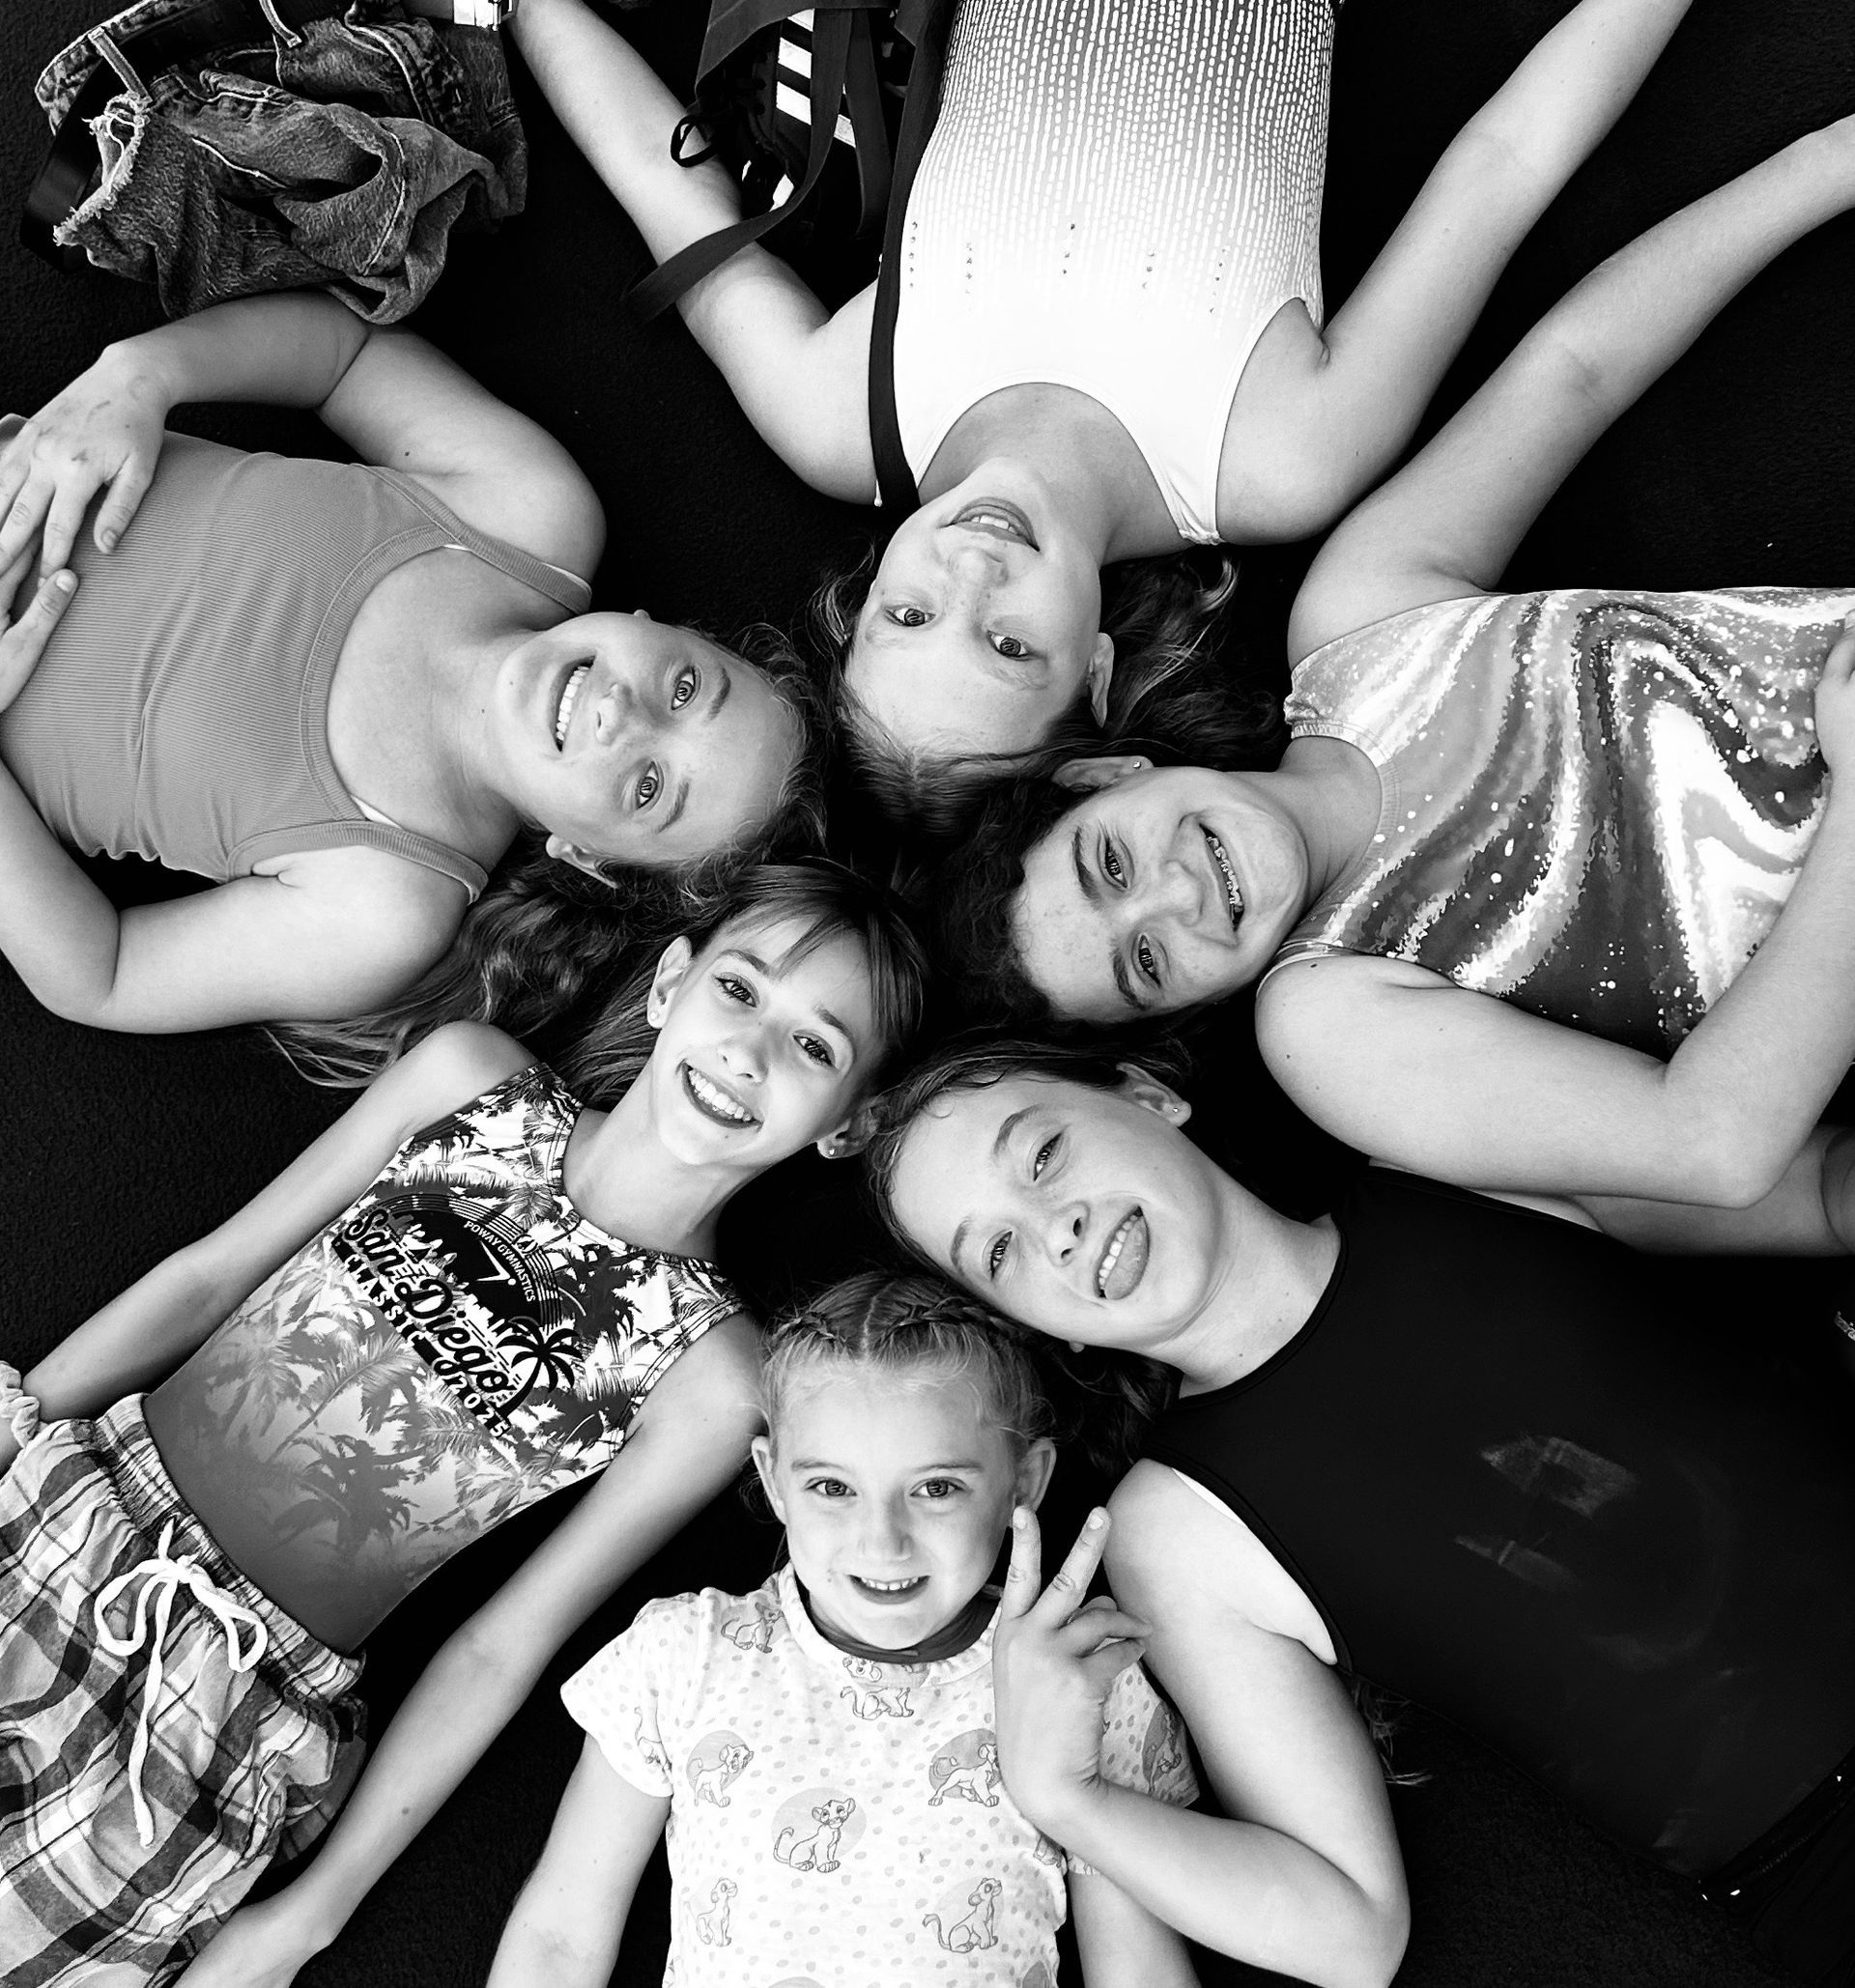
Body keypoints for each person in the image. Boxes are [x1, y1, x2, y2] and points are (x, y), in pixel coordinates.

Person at [0, 861, 926, 1987]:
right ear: (670, 983)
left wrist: (306, 1919)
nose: (751, 1052)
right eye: (741, 990)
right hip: (71, 1514)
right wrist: (18, 1424)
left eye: (816, 1047)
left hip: (218, 1707)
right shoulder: (468, 1082)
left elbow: (500, 1645)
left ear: (849, 1125)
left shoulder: (715, 1377)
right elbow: (207, 1278)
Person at [933, 107, 1855, 1226]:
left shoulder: (1357, 622)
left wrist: (1825, 164)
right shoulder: (1327, 1027)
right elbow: (1711, 1144)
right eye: (1145, 965)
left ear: (1108, 774)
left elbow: (1577, 369)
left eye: (1112, 867)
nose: (1178, 900)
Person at [513, 0, 1696, 823]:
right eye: (1009, 644)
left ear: (858, 600)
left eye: (911, 614)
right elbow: (1505, 162)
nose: (972, 576)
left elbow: (668, 196)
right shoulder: (1274, 459)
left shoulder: (838, 419)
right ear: (1093, 676)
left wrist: (517, 9)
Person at [870, 1038, 1855, 1985]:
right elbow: (1350, 1936)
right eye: (999, 1251)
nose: (1057, 1230)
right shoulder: (1177, 1535)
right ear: (1038, 1328)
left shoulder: (1446, 1160)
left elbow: (1819, 1191)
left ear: (1144, 1094)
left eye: (1042, 1154)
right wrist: (1066, 1799)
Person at [0, 293, 821, 1039]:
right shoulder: (530, 516)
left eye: (648, 789)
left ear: (588, 858)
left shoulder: (384, 906)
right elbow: (343, 355)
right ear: (667, 628)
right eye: (683, 688)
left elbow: (103, 975)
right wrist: (143, 374)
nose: (622, 715)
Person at [485, 1274, 1229, 1988]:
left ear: (1024, 1482)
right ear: (774, 1481)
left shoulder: (1082, 1682)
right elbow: (561, 1939)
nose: (883, 1542)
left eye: (937, 1488)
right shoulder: (682, 1655)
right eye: (832, 1488)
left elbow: (1138, 1971)